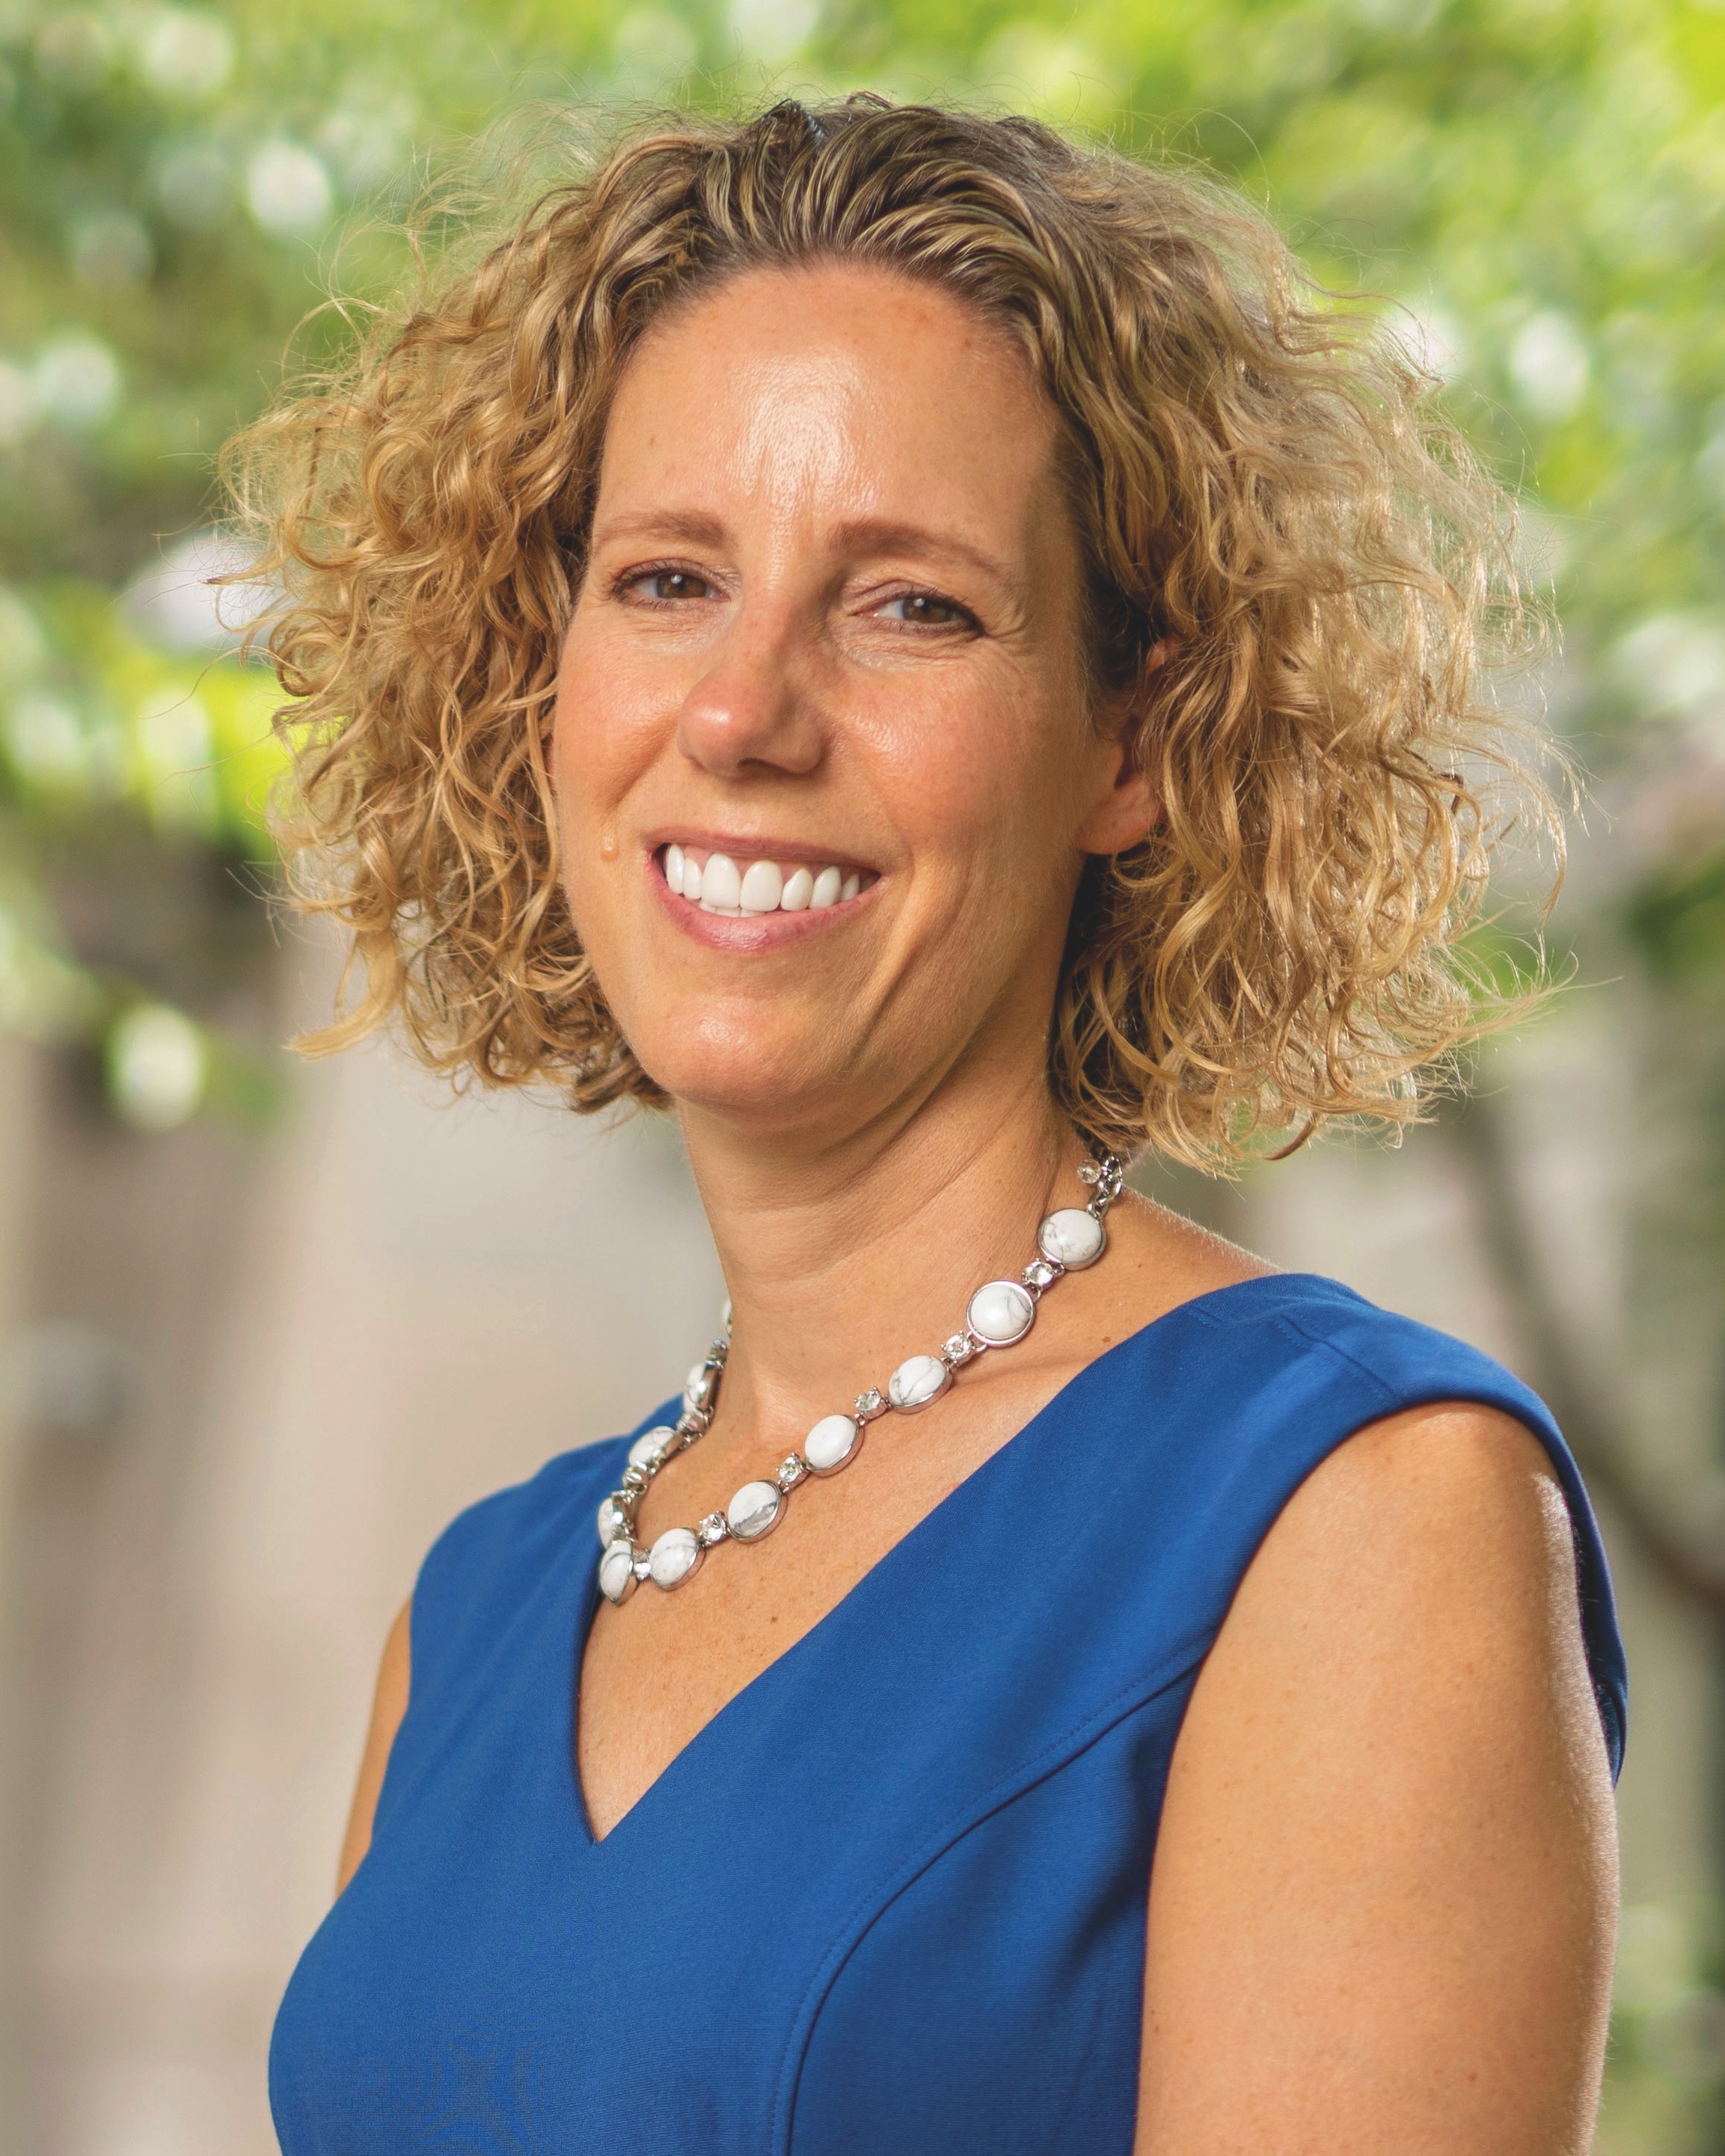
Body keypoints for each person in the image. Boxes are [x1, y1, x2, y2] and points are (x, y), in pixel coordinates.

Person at [245, 95, 1624, 2155]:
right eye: (665, 576)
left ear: (1133, 739)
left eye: (912, 606)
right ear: (539, 691)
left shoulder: (1355, 1515)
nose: (740, 712)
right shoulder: (477, 1610)